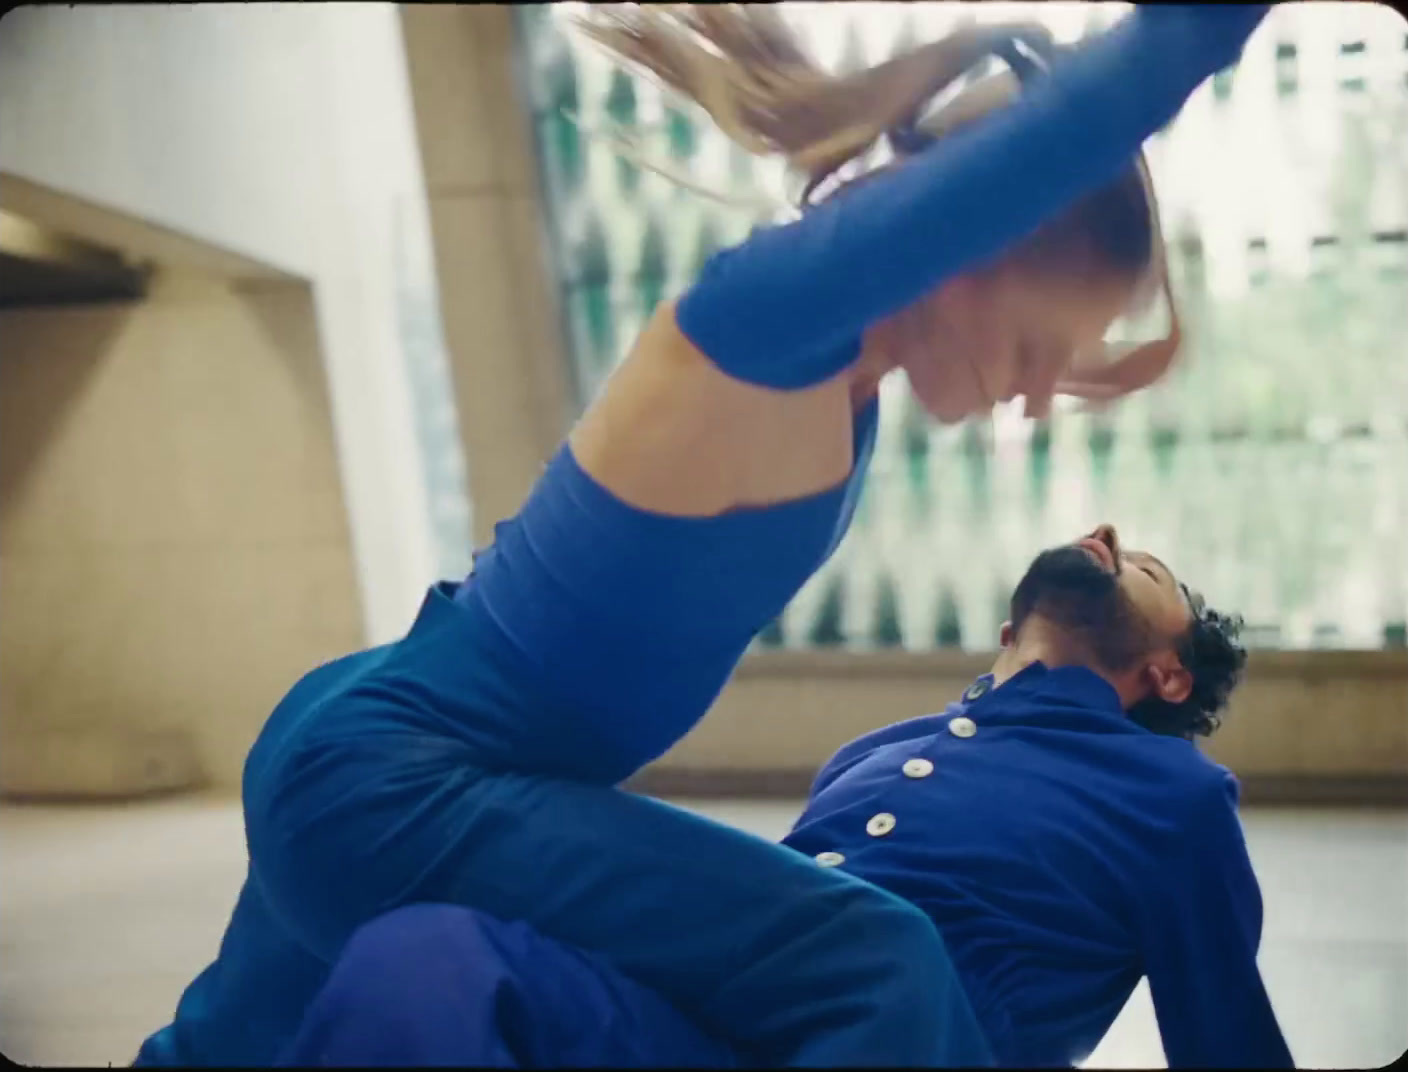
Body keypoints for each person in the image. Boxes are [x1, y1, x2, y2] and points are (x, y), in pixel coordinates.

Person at [133, 6, 1271, 1068]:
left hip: (369, 733)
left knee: (215, 1046)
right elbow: (1087, 116)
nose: (1033, 395)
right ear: (981, 241)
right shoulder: (768, 324)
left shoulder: (830, 382)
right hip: (402, 772)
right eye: (1043, 342)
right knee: (876, 956)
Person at [278, 525, 1292, 1070]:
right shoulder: (872, 750)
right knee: (425, 955)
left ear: (1167, 675)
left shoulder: (1174, 794)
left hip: (926, 1040)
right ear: (1004, 631)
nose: (1108, 533)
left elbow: (1225, 1038)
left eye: (1152, 568)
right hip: (719, 1033)